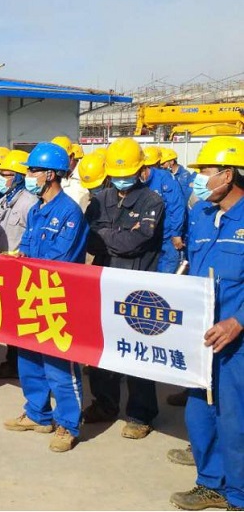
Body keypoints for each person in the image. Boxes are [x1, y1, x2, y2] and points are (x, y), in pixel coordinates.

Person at [169, 136, 244, 511]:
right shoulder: (199, 212)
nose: (199, 179)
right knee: (199, 412)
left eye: (206, 171)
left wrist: (239, 321)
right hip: (200, 336)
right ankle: (210, 482)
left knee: (235, 418)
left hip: (236, 342)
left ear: (228, 175)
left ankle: (239, 494)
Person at [3, 141, 89, 453]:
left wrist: (29, 261)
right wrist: (17, 257)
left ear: (50, 174)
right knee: (29, 360)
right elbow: (27, 247)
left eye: (33, 171)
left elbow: (60, 257)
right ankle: (38, 415)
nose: (28, 176)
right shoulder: (37, 210)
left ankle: (68, 424)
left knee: (59, 366)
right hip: (31, 293)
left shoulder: (69, 212)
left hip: (57, 297)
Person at [83, 138, 165, 440]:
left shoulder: (152, 201)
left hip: (137, 283)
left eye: (127, 173)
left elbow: (137, 242)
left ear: (140, 170)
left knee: (136, 351)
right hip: (104, 280)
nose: (121, 179)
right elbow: (90, 240)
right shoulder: (100, 199)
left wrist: (108, 235)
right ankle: (104, 403)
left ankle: (141, 414)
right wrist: (117, 235)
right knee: (102, 346)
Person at [0, 149, 36, 380]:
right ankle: (12, 362)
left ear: (17, 177)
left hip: (21, 270)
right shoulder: (3, 200)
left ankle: (23, 365)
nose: (0, 178)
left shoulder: (29, 203)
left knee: (22, 322)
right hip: (2, 267)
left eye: (5, 174)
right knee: (9, 321)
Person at [141, 145, 188, 274]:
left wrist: (176, 233)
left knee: (167, 272)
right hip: (148, 236)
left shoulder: (165, 178)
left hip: (167, 236)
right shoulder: (139, 181)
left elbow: (177, 206)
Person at [51, 136, 90, 212]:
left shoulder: (86, 173)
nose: (56, 164)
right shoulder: (56, 176)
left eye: (60, 160)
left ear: (71, 157)